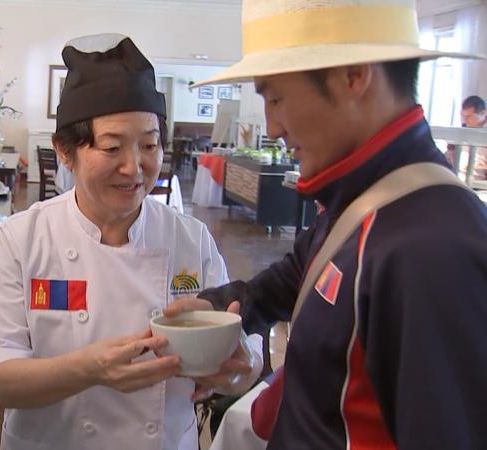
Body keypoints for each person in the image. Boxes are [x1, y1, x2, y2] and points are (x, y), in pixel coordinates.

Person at [165, 0, 487, 448]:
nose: (272, 126)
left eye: (276, 98)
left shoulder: (430, 248)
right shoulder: (361, 200)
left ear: (353, 75)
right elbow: (294, 277)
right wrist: (219, 308)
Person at [0, 33, 261, 450]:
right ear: (65, 151)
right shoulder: (23, 238)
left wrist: (236, 371)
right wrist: (91, 370)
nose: (134, 168)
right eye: (112, 147)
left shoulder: (190, 239)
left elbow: (242, 357)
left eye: (149, 145)